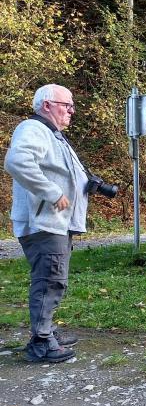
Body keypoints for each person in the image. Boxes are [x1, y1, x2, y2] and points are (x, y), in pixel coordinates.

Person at [4, 84, 86, 362]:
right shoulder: (34, 129)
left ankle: (46, 331)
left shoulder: (53, 135)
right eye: (67, 105)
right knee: (50, 280)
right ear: (48, 105)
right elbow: (17, 161)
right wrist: (52, 192)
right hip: (43, 223)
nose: (71, 111)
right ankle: (40, 343)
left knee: (53, 278)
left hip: (54, 223)